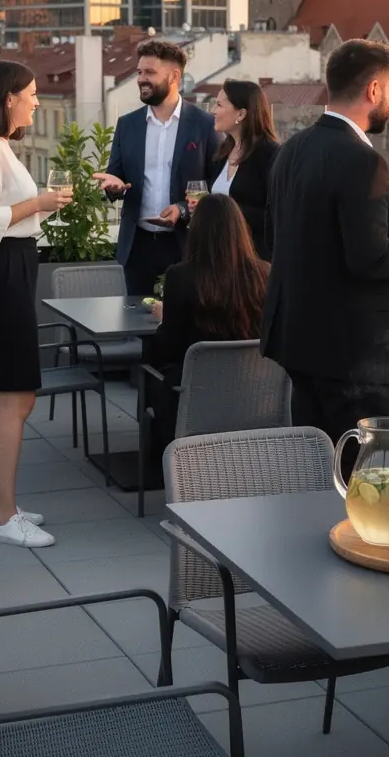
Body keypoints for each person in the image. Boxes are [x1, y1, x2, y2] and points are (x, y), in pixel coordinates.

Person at [261, 39, 389, 453]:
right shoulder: (363, 159)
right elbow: (370, 257)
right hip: (354, 354)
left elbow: (272, 238)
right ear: (373, 90)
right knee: (366, 469)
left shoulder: (291, 149)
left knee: (318, 458)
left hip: (297, 339)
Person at [0, 60, 70, 549]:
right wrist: (40, 204)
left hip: (8, 268)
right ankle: (5, 516)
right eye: (31, 93)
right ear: (8, 98)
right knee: (16, 397)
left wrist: (37, 205)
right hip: (2, 268)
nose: (36, 101)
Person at [144, 193, 269, 474]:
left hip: (195, 395)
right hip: (257, 394)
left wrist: (165, 319)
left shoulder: (181, 276)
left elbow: (168, 349)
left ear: (197, 231)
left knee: (149, 371)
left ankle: (162, 469)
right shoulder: (264, 274)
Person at [93, 40, 219, 296]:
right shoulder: (127, 125)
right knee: (139, 326)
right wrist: (114, 187)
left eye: (149, 72)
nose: (141, 79)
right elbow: (115, 177)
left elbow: (216, 186)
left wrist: (183, 209)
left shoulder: (205, 125)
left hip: (186, 246)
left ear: (174, 76)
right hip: (138, 248)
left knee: (183, 325)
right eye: (139, 72)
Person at [207, 80, 280, 259]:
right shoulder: (223, 151)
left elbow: (275, 215)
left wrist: (226, 211)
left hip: (253, 261)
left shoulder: (270, 154)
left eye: (219, 105)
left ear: (241, 113)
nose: (213, 111)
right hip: (220, 257)